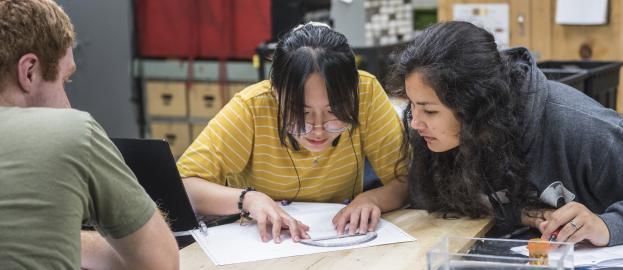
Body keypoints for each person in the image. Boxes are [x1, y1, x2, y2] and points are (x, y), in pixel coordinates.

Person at [391, 21, 623, 247]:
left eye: (430, 110)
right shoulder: (446, 133)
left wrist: (608, 225)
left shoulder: (580, 127)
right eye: (412, 106)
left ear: (477, 104)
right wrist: (520, 213)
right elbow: (432, 196)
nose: (416, 122)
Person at [177, 22, 408, 243]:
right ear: (276, 93)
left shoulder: (365, 93)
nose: (318, 130)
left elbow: (406, 179)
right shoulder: (252, 107)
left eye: (334, 112)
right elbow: (184, 186)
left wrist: (372, 199)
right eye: (301, 113)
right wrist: (248, 200)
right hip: (265, 244)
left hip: (341, 238)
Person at [0, 0, 178, 268]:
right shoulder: (70, 132)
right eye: (64, 81)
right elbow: (161, 261)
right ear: (29, 71)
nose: (68, 104)